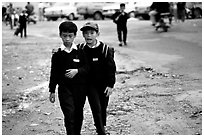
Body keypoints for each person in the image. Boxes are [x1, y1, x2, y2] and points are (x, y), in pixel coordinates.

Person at [48, 21, 89, 135]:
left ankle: (77, 133)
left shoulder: (81, 51)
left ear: (75, 35)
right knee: (69, 113)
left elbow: (87, 68)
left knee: (78, 113)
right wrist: (52, 90)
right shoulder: (57, 54)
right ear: (60, 35)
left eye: (70, 36)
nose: (67, 39)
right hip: (64, 89)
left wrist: (77, 71)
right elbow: (54, 73)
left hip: (80, 89)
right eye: (64, 36)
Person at [79, 22, 116, 134]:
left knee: (103, 107)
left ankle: (101, 126)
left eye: (92, 33)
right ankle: (101, 131)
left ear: (97, 34)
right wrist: (57, 51)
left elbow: (111, 69)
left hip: (104, 84)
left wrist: (110, 85)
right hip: (90, 85)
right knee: (96, 108)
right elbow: (68, 53)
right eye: (86, 33)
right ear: (83, 35)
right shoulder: (80, 48)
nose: (89, 36)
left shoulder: (105, 49)